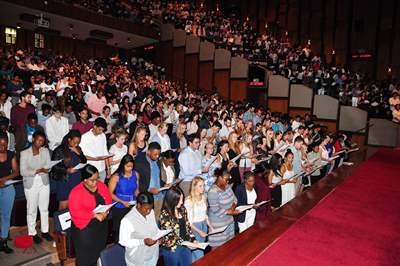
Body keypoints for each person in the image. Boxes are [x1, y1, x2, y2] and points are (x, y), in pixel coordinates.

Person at [69, 164, 112, 266]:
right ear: (84, 180)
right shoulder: (76, 192)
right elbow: (75, 211)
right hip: (84, 230)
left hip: (100, 227)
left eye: (97, 179)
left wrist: (106, 210)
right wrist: (94, 215)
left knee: (97, 253)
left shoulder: (101, 185)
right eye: (92, 180)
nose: (95, 182)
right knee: (84, 258)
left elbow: (108, 198)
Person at [20, 131, 53, 243]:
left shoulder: (45, 151)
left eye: (42, 141)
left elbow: (49, 166)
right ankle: (32, 233)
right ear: (33, 139)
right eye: (38, 140)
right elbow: (23, 171)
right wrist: (37, 170)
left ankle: (45, 231)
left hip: (44, 181)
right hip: (31, 182)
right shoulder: (24, 153)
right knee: (32, 209)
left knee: (44, 208)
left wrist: (46, 169)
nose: (40, 143)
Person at [119, 192, 159, 266]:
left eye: (151, 208)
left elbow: (154, 228)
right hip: (138, 259)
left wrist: (159, 237)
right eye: (146, 208)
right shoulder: (127, 220)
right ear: (138, 205)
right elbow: (123, 241)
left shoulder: (151, 212)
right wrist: (143, 242)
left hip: (152, 255)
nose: (149, 211)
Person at [160, 187, 196, 266]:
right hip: (172, 249)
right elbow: (170, 235)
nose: (181, 202)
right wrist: (186, 243)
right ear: (172, 200)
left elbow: (187, 226)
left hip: (185, 246)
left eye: (182, 199)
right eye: (179, 200)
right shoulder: (165, 214)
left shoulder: (182, 209)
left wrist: (193, 239)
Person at [51, 130, 87, 210]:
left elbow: (84, 161)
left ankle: (72, 221)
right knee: (64, 205)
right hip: (64, 180)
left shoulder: (78, 148)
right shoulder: (59, 150)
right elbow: (54, 167)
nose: (76, 144)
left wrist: (79, 154)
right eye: (74, 142)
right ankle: (61, 222)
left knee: (74, 203)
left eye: (78, 142)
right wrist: (67, 170)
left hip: (76, 179)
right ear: (69, 139)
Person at [108, 154, 139, 242]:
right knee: (120, 230)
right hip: (119, 206)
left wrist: (139, 199)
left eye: (131, 166)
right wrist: (122, 202)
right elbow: (110, 194)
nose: (129, 168)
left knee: (131, 229)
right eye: (127, 166)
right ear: (123, 165)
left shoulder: (135, 174)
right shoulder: (116, 177)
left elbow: (136, 190)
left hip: (132, 204)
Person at [207, 168, 239, 248]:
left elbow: (235, 199)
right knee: (217, 250)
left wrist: (233, 207)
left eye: (229, 179)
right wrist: (231, 212)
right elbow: (216, 209)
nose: (228, 181)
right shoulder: (213, 191)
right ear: (220, 178)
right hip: (218, 225)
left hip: (229, 223)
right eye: (226, 179)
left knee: (229, 247)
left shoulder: (227, 186)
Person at [184, 176, 212, 262]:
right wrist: (200, 231)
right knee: (199, 254)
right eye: (200, 186)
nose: (203, 188)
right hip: (195, 228)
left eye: (203, 185)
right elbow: (189, 221)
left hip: (203, 225)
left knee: (198, 252)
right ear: (194, 186)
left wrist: (210, 226)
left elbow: (205, 215)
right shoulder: (189, 201)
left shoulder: (203, 197)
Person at [0, 132, 19, 254]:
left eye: (4, 145)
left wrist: (4, 179)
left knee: (6, 216)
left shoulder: (11, 154)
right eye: (0, 145)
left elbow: (16, 172)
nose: (2, 147)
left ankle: (3, 241)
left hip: (8, 188)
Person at [136, 142, 164, 219]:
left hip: (159, 196)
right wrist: (148, 190)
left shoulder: (157, 161)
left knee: (157, 218)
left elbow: (157, 177)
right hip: (147, 198)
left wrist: (164, 184)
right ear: (148, 152)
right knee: (147, 219)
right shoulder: (139, 162)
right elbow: (137, 181)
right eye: (155, 154)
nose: (157, 156)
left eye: (159, 154)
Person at [80, 117, 110, 182]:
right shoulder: (85, 137)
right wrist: (95, 159)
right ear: (94, 126)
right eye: (99, 130)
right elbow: (81, 155)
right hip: (90, 170)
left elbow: (105, 152)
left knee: (100, 189)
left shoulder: (103, 136)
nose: (101, 132)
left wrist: (108, 168)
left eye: (102, 130)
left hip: (101, 168)